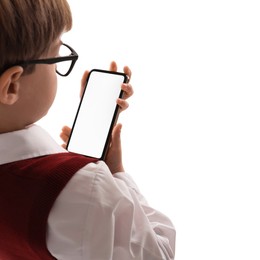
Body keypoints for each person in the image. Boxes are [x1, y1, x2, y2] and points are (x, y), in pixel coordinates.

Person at [0, 0, 176, 259]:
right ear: (13, 85)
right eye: (57, 58)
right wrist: (114, 175)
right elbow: (158, 252)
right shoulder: (81, 188)